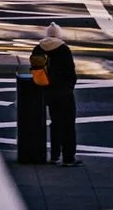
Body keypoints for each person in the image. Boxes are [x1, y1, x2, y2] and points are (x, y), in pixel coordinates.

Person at [30, 22, 80, 167]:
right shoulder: (63, 49)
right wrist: (70, 86)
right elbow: (70, 72)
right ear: (59, 34)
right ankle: (68, 157)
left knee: (55, 123)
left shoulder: (38, 48)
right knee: (68, 124)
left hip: (45, 90)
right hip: (63, 92)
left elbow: (34, 69)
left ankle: (54, 155)